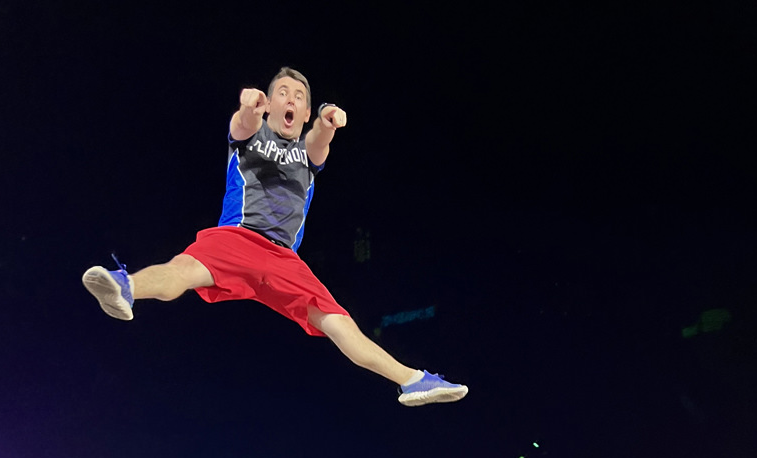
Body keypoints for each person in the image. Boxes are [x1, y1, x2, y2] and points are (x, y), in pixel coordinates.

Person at [82, 68, 468, 409]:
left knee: (340, 325)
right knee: (181, 270)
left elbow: (320, 137)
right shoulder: (248, 138)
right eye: (283, 92)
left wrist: (329, 120)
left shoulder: (308, 155)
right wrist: (249, 105)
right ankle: (126, 286)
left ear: (303, 113)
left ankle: (413, 380)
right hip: (236, 239)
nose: (291, 99)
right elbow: (242, 121)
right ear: (270, 104)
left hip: (284, 260)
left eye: (300, 97)